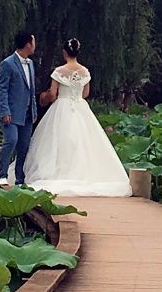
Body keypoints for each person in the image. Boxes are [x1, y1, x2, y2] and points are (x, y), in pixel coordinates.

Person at [12, 37, 132, 197]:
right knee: (83, 140)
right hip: (80, 107)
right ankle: (81, 173)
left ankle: (58, 171)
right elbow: (85, 93)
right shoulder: (85, 72)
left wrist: (47, 97)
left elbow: (52, 94)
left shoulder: (59, 71)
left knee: (58, 140)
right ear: (77, 52)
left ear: (64, 53)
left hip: (61, 107)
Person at [0, 31, 38, 186]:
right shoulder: (8, 63)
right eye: (33, 42)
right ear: (28, 44)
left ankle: (20, 177)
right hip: (12, 112)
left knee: (24, 145)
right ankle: (2, 174)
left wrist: (33, 109)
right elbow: (2, 89)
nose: (35, 45)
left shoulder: (31, 64)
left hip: (27, 112)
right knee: (11, 140)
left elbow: (31, 89)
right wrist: (5, 110)